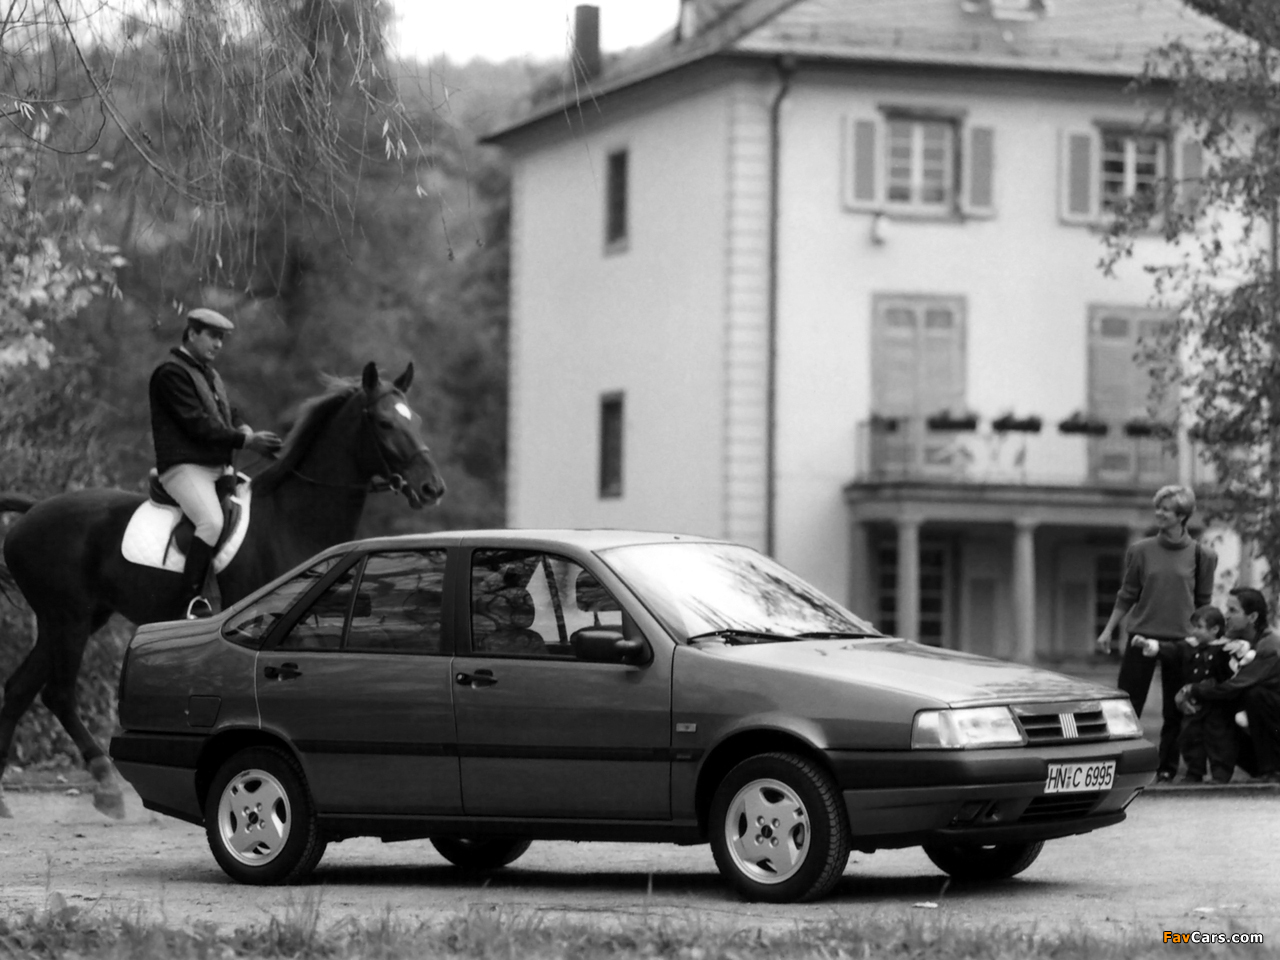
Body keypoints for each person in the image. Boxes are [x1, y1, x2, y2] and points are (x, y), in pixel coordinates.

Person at [149, 308, 282, 618]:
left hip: (216, 469)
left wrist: (244, 428)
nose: (218, 344)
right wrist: (247, 441)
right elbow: (198, 425)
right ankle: (191, 600)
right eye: (212, 336)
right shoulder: (170, 374)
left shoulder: (208, 374)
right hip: (183, 468)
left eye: (221, 338)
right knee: (211, 522)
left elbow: (228, 414)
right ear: (192, 333)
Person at [1095, 485, 1217, 783]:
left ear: (1182, 516)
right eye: (1158, 507)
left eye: (1166, 509)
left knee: (1174, 709)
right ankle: (1122, 764)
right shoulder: (1140, 550)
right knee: (1128, 706)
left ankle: (1167, 768)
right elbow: (1127, 594)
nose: (1158, 513)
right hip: (1141, 637)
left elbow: (1203, 603)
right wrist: (1108, 630)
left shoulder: (1203, 555)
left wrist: (1205, 641)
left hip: (1181, 642)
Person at [1189, 587, 1280, 784]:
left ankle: (1272, 771)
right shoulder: (1233, 641)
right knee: (1218, 704)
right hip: (1260, 722)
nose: (1226, 616)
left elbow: (1237, 684)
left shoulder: (1270, 645)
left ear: (1252, 617)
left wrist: (1193, 690)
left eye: (1233, 610)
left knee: (1255, 695)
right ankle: (1210, 770)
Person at [1171, 605, 1231, 783]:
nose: (1194, 632)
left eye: (1199, 627)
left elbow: (1224, 679)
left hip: (1217, 703)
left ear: (1215, 629)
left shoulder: (1225, 650)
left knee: (1218, 738)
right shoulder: (1191, 648)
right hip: (1195, 702)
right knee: (1190, 736)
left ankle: (1220, 773)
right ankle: (1194, 771)